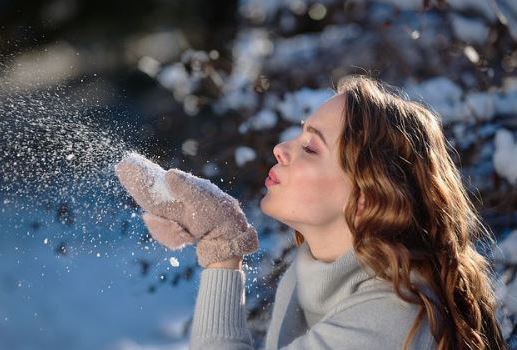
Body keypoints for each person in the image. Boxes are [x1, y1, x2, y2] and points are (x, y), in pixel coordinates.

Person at [115, 75, 508, 350]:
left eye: (311, 147)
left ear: (366, 198)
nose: (281, 148)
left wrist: (222, 248)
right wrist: (222, 245)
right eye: (300, 135)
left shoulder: (391, 320)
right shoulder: (315, 277)